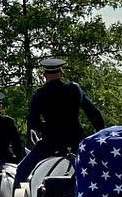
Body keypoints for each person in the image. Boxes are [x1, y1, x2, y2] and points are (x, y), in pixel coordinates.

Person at [14, 57, 107, 188]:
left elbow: (33, 123)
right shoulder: (74, 89)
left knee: (21, 171)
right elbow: (94, 114)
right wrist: (99, 133)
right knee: (103, 171)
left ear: (44, 75)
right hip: (77, 143)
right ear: (61, 73)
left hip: (49, 144)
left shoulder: (40, 94)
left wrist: (46, 129)